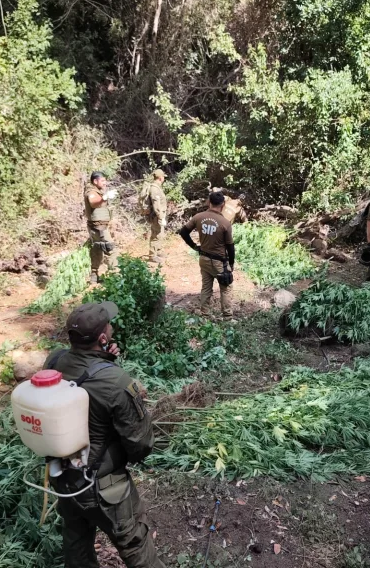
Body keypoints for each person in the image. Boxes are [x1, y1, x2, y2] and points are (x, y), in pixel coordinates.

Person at [43, 302, 166, 568]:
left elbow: (81, 383)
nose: (111, 327)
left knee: (77, 545)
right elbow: (141, 444)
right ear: (102, 337)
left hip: (64, 478)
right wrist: (110, 369)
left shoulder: (53, 361)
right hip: (105, 489)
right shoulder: (116, 382)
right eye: (108, 325)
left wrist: (104, 361)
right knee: (135, 544)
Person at [178, 191, 235, 319]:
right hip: (219, 262)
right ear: (223, 204)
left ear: (209, 202)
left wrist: (194, 246)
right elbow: (230, 247)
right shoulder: (225, 223)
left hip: (203, 258)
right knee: (226, 288)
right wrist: (231, 264)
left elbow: (183, 232)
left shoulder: (198, 217)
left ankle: (205, 315)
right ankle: (227, 317)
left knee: (206, 288)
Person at [85, 171, 117, 283]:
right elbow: (93, 203)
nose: (105, 183)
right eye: (102, 180)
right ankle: (115, 277)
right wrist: (104, 197)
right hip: (98, 229)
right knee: (111, 249)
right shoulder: (91, 192)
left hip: (99, 228)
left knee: (97, 250)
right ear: (95, 181)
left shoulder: (98, 192)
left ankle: (94, 277)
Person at [146, 169, 168, 264]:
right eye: (163, 177)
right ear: (160, 177)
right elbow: (156, 205)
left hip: (159, 215)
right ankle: (152, 255)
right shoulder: (154, 189)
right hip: (156, 215)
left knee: (160, 233)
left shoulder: (157, 187)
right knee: (155, 234)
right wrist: (160, 216)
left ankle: (158, 251)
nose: (164, 178)